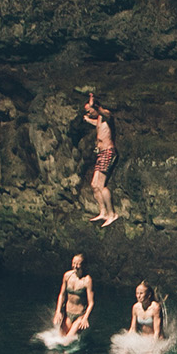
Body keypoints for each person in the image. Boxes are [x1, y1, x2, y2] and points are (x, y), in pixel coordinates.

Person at [82, 92, 119, 227]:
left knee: (101, 185)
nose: (88, 112)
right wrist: (87, 120)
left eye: (88, 110)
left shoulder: (105, 114)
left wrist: (96, 106)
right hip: (101, 153)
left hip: (108, 152)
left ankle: (112, 213)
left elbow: (105, 114)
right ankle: (102, 211)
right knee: (94, 185)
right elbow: (97, 125)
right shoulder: (98, 119)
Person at [53, 253, 95, 338]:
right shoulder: (67, 276)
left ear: (84, 265)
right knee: (61, 338)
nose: (75, 266)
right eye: (73, 263)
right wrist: (58, 311)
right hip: (67, 314)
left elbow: (91, 303)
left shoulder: (87, 280)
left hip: (79, 316)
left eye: (78, 264)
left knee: (67, 341)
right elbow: (62, 294)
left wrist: (85, 318)